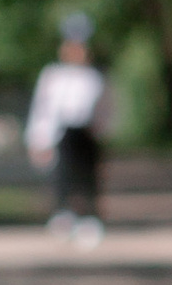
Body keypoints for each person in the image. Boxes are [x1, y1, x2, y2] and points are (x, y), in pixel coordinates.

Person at [26, 15, 112, 243]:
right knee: (62, 176)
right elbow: (43, 109)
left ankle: (89, 217)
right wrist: (39, 140)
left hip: (86, 132)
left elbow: (105, 108)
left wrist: (103, 129)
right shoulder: (53, 76)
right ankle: (64, 214)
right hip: (62, 133)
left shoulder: (95, 76)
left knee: (88, 177)